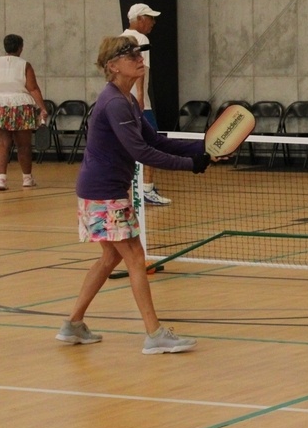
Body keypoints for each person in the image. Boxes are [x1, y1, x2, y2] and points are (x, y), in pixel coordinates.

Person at [56, 36, 211, 353]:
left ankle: (72, 324)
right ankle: (154, 335)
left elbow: (157, 141)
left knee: (111, 257)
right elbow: (141, 151)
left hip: (103, 190)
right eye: (131, 55)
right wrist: (190, 165)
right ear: (113, 66)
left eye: (140, 53)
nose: (139, 59)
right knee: (136, 258)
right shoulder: (114, 103)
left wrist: (204, 148)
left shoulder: (127, 100)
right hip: (104, 194)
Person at [0, 34, 50, 191]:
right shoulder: (24, 65)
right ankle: (27, 178)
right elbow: (33, 87)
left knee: (1, 144)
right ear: (20, 48)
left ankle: (1, 180)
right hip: (21, 105)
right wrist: (42, 108)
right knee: (24, 145)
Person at [122, 3, 171, 206]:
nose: (153, 22)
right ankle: (147, 189)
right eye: (150, 18)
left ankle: (133, 188)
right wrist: (141, 96)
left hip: (122, 100)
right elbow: (141, 68)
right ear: (140, 19)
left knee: (128, 146)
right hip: (140, 104)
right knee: (152, 144)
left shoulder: (120, 39)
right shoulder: (141, 39)